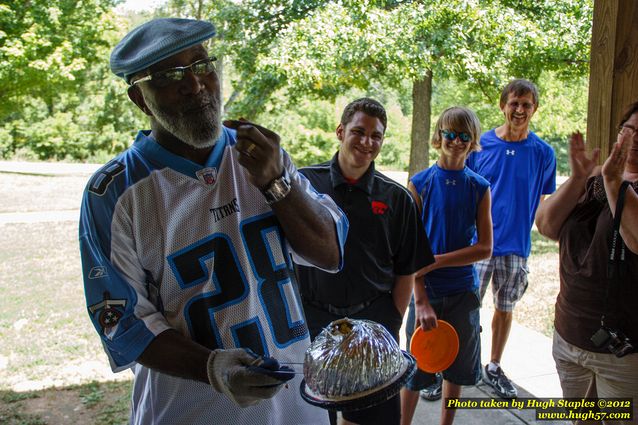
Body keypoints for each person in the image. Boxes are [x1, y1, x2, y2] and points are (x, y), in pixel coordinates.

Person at [79, 17, 349, 425]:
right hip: (187, 412)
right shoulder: (114, 193)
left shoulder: (260, 151)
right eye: (171, 74)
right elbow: (125, 326)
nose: (196, 84)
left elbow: (330, 254)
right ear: (140, 98)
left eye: (203, 64)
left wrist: (277, 184)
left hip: (297, 409)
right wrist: (214, 368)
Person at [295, 97, 434, 425]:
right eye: (359, 132)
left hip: (373, 324)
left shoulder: (397, 198)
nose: (367, 142)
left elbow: (406, 268)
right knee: (314, 417)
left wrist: (392, 320)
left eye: (376, 136)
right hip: (314, 321)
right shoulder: (303, 185)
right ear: (340, 132)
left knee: (375, 418)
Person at [535, 102, 638, 424]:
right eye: (628, 130)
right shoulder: (592, 179)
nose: (632, 140)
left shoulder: (613, 181)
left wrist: (614, 181)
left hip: (622, 351)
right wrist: (580, 177)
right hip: (569, 335)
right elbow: (547, 225)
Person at [460, 78, 556, 399]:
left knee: (504, 307)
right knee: (465, 307)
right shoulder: (480, 146)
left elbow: (544, 205)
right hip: (479, 245)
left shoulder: (544, 153)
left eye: (526, 104)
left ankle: (495, 366)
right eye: (514, 103)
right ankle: (456, 368)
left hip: (517, 247)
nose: (519, 109)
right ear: (503, 105)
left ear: (535, 109)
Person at [400, 107, 493, 425]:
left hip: (463, 291)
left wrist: (434, 261)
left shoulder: (479, 187)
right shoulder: (420, 183)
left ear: (473, 142)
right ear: (438, 137)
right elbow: (410, 248)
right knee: (415, 369)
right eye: (449, 134)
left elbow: (485, 247)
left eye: (464, 136)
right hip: (426, 292)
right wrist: (421, 299)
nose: (455, 141)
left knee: (456, 366)